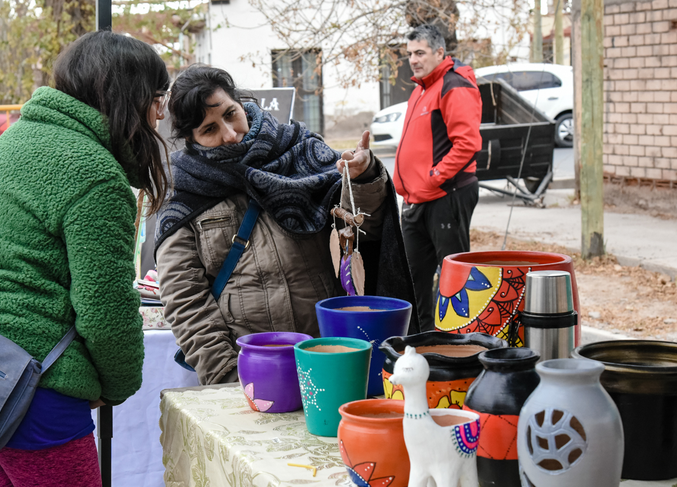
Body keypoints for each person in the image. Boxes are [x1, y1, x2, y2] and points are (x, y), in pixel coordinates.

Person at [0, 31, 170, 486]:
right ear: (128, 94)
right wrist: (117, 385)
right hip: (38, 391)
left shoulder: (3, 149)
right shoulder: (93, 173)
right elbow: (104, 308)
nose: (161, 112)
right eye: (157, 96)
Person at [155, 65, 417, 385]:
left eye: (230, 114)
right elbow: (186, 302)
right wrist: (229, 378)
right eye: (209, 130)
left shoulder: (301, 151)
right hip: (252, 369)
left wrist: (362, 178)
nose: (230, 133)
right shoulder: (185, 196)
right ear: (191, 139)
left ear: (242, 103)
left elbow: (366, 234)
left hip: (330, 357)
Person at [393, 24, 483, 330]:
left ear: (440, 52)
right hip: (417, 200)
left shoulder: (453, 86)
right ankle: (421, 345)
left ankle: (456, 345)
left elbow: (468, 144)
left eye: (420, 53)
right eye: (409, 54)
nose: (414, 60)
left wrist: (434, 177)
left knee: (453, 280)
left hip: (447, 195)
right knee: (413, 276)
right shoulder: (421, 89)